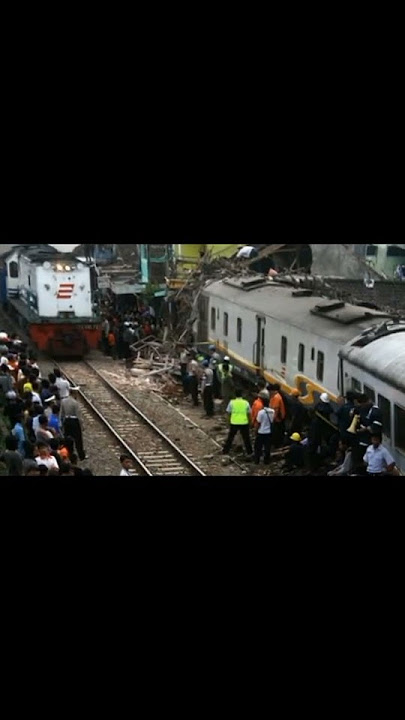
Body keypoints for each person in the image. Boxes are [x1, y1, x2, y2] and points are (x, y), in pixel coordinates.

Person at [223, 389, 253, 456]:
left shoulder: (232, 402)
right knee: (246, 438)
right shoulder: (246, 402)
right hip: (244, 422)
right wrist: (250, 422)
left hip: (234, 422)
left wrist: (228, 422)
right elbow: (249, 414)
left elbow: (228, 413)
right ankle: (249, 451)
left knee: (230, 437)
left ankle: (225, 450)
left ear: (235, 395)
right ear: (242, 395)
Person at [60, 392, 87, 461]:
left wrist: (62, 423)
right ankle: (81, 455)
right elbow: (79, 416)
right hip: (74, 421)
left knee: (67, 438)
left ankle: (69, 453)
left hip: (67, 421)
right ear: (74, 394)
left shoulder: (63, 401)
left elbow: (61, 413)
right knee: (78, 439)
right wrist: (82, 425)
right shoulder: (75, 403)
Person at [254, 397, 274, 465]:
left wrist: (255, 431)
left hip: (261, 432)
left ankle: (257, 460)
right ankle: (266, 461)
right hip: (268, 432)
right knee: (267, 447)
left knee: (258, 447)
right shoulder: (272, 411)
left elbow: (258, 423)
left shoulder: (261, 412)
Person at [269, 384, 286, 448]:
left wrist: (272, 419)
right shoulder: (278, 396)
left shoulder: (276, 397)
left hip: (278, 419)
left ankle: (276, 444)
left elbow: (275, 409)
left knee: (276, 433)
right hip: (280, 418)